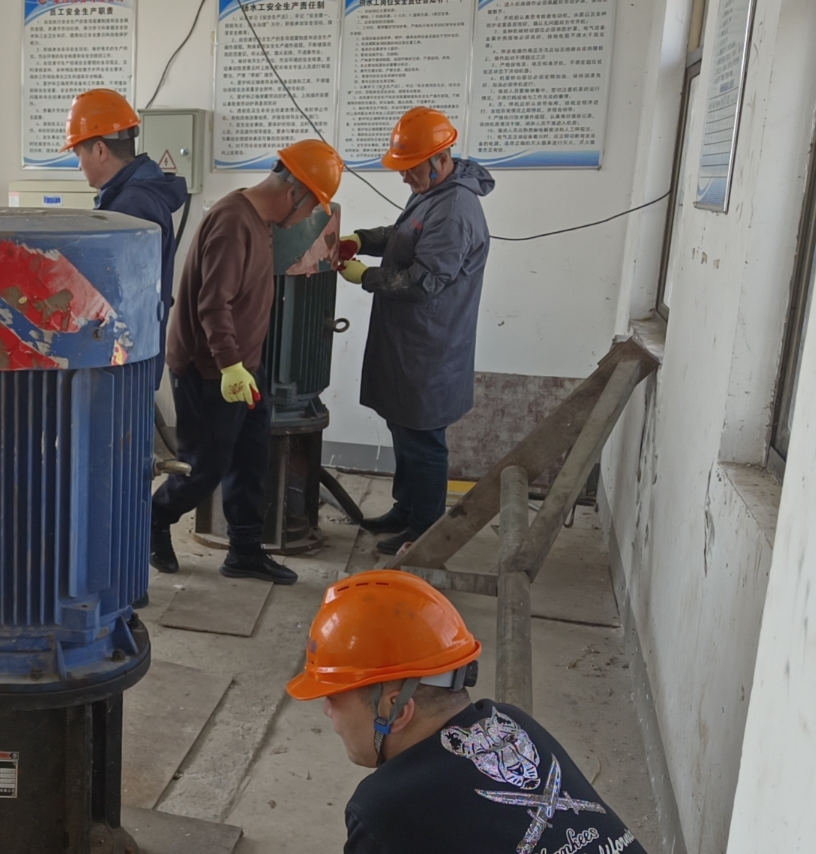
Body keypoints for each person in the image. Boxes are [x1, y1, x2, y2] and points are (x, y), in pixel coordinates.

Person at [281, 570, 708, 854]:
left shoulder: (384, 808)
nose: (326, 708)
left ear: (394, 706)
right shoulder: (516, 725)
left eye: (335, 694)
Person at [151, 139, 343, 586]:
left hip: (242, 366)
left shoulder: (260, 220)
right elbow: (212, 303)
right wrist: (229, 365)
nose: (308, 215)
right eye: (311, 205)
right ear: (293, 190)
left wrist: (243, 365)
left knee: (250, 459)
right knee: (204, 467)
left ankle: (244, 551)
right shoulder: (232, 221)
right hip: (210, 370)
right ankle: (153, 521)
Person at [338, 107, 495, 555]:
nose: (404, 177)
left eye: (410, 169)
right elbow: (405, 233)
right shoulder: (435, 192)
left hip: (431, 344)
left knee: (423, 438)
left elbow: (424, 283)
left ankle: (424, 534)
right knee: (403, 426)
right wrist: (362, 239)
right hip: (410, 338)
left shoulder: (455, 210)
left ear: (440, 159)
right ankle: (405, 509)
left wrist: (364, 276)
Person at [63, 88, 190, 323]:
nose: (79, 166)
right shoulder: (132, 197)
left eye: (78, 155)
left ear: (100, 150)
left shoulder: (133, 206)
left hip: (127, 342)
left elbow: (116, 297)